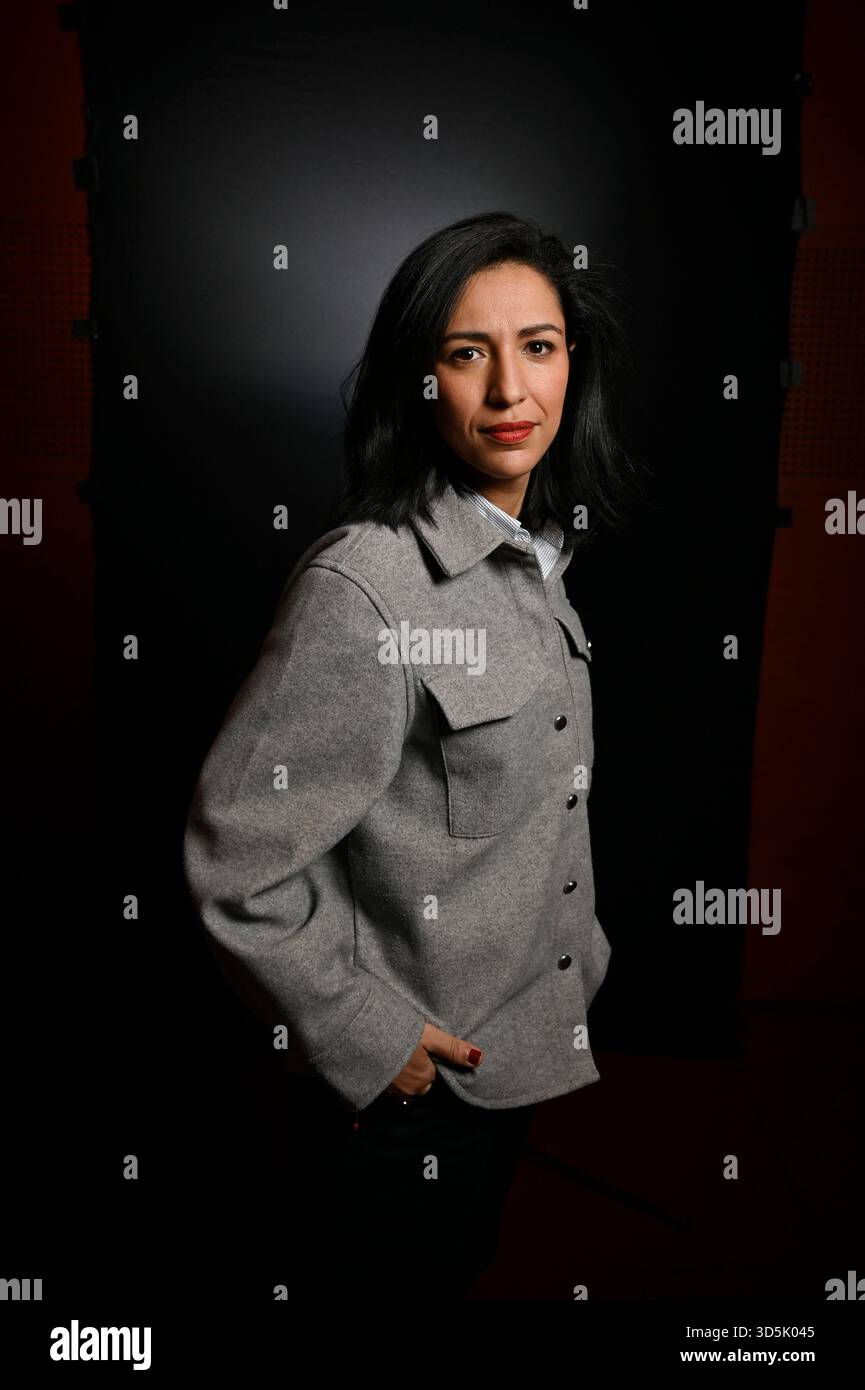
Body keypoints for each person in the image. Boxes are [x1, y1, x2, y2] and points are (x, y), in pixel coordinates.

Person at [182, 210, 645, 1297]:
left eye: (537, 346)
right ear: (419, 379)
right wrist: (365, 1037)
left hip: (517, 1053)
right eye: (464, 352)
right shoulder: (367, 589)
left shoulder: (538, 554)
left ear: (573, 362)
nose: (509, 391)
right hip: (411, 1093)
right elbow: (235, 863)